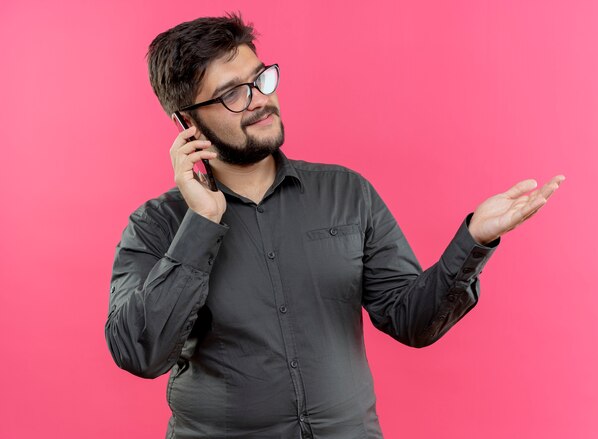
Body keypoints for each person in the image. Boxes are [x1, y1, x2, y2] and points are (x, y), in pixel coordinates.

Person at [105, 13, 564, 439]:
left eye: (261, 79)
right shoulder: (156, 227)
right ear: (187, 122)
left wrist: (474, 241)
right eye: (232, 93)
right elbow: (140, 353)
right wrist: (202, 222)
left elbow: (412, 320)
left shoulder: (348, 194)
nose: (260, 100)